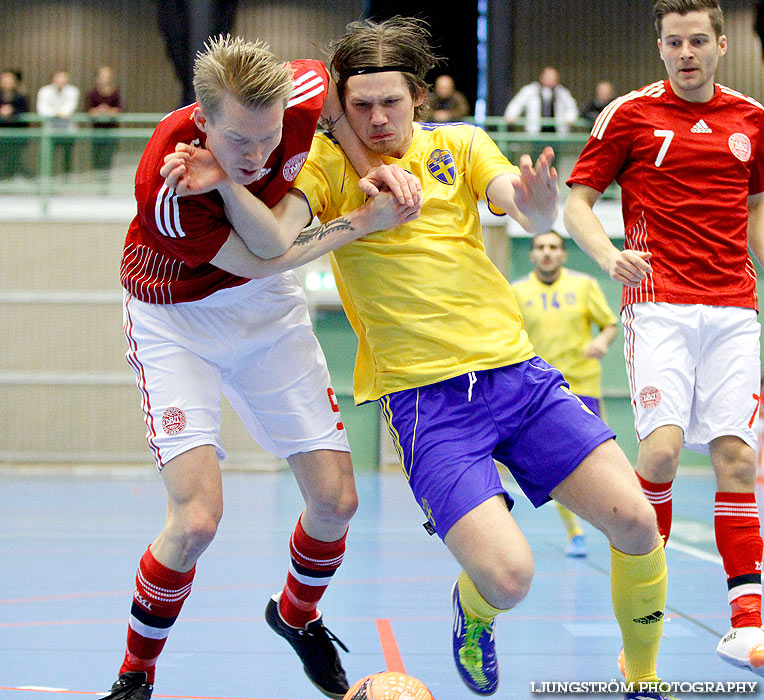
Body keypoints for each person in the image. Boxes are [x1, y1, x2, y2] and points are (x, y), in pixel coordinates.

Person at [176, 16, 670, 699]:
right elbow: (268, 244)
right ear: (341, 108)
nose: (378, 118)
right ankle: (473, 613)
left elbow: (516, 206)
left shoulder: (461, 145)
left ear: (419, 96)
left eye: (392, 102)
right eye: (361, 105)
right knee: (508, 578)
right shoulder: (324, 168)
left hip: (518, 378)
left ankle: (643, 680)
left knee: (638, 521)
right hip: (426, 404)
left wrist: (535, 208)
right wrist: (226, 185)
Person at [99, 35, 420, 700]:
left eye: (269, 137)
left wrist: (368, 166)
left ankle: (296, 614)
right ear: (202, 120)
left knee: (336, 502)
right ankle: (136, 674)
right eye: (238, 142)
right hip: (178, 319)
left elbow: (331, 98)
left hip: (264, 310)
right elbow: (266, 252)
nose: (258, 157)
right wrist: (366, 217)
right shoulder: (167, 183)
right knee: (194, 522)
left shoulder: (302, 89)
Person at [564, 0, 764, 678]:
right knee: (662, 455)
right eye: (674, 42)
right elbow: (576, 202)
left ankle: (747, 625)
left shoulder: (752, 120)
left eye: (698, 40)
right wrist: (604, 254)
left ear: (721, 43)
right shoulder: (630, 116)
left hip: (734, 308)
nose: (687, 53)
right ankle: (642, 622)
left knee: (739, 460)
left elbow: (756, 212)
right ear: (660, 47)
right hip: (659, 307)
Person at [511, 230, 618, 559]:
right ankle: (576, 532)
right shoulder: (516, 292)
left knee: (601, 458)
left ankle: (615, 519)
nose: (547, 253)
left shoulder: (584, 285)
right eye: (541, 247)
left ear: (563, 254)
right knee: (560, 464)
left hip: (583, 383)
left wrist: (601, 341)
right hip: (541, 388)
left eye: (554, 247)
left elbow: (610, 323)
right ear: (532, 255)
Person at [503, 66, 578, 134]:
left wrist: (570, 118)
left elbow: (571, 107)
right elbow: (517, 104)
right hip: (535, 132)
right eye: (548, 77)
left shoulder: (562, 92)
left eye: (553, 78)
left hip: (556, 133)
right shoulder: (530, 90)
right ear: (541, 77)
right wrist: (511, 115)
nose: (550, 80)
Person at [36, 69, 79, 174]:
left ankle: (66, 184)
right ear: (53, 79)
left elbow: (68, 110)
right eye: (59, 77)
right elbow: (42, 111)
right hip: (50, 132)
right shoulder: (44, 91)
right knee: (47, 160)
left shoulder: (73, 91)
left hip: (68, 132)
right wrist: (58, 113)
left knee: (67, 161)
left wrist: (56, 113)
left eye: (64, 78)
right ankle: (47, 185)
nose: (62, 80)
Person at [86, 66, 123, 171]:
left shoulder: (116, 93)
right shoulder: (92, 94)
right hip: (96, 132)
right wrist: (99, 111)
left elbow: (118, 111)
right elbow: (89, 111)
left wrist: (107, 110)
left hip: (112, 132)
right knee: (96, 159)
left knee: (108, 161)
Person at [0, 68, 29, 179]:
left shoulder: (21, 97)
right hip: (1, 133)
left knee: (13, 160)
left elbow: (25, 111)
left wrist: (12, 111)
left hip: (16, 135)